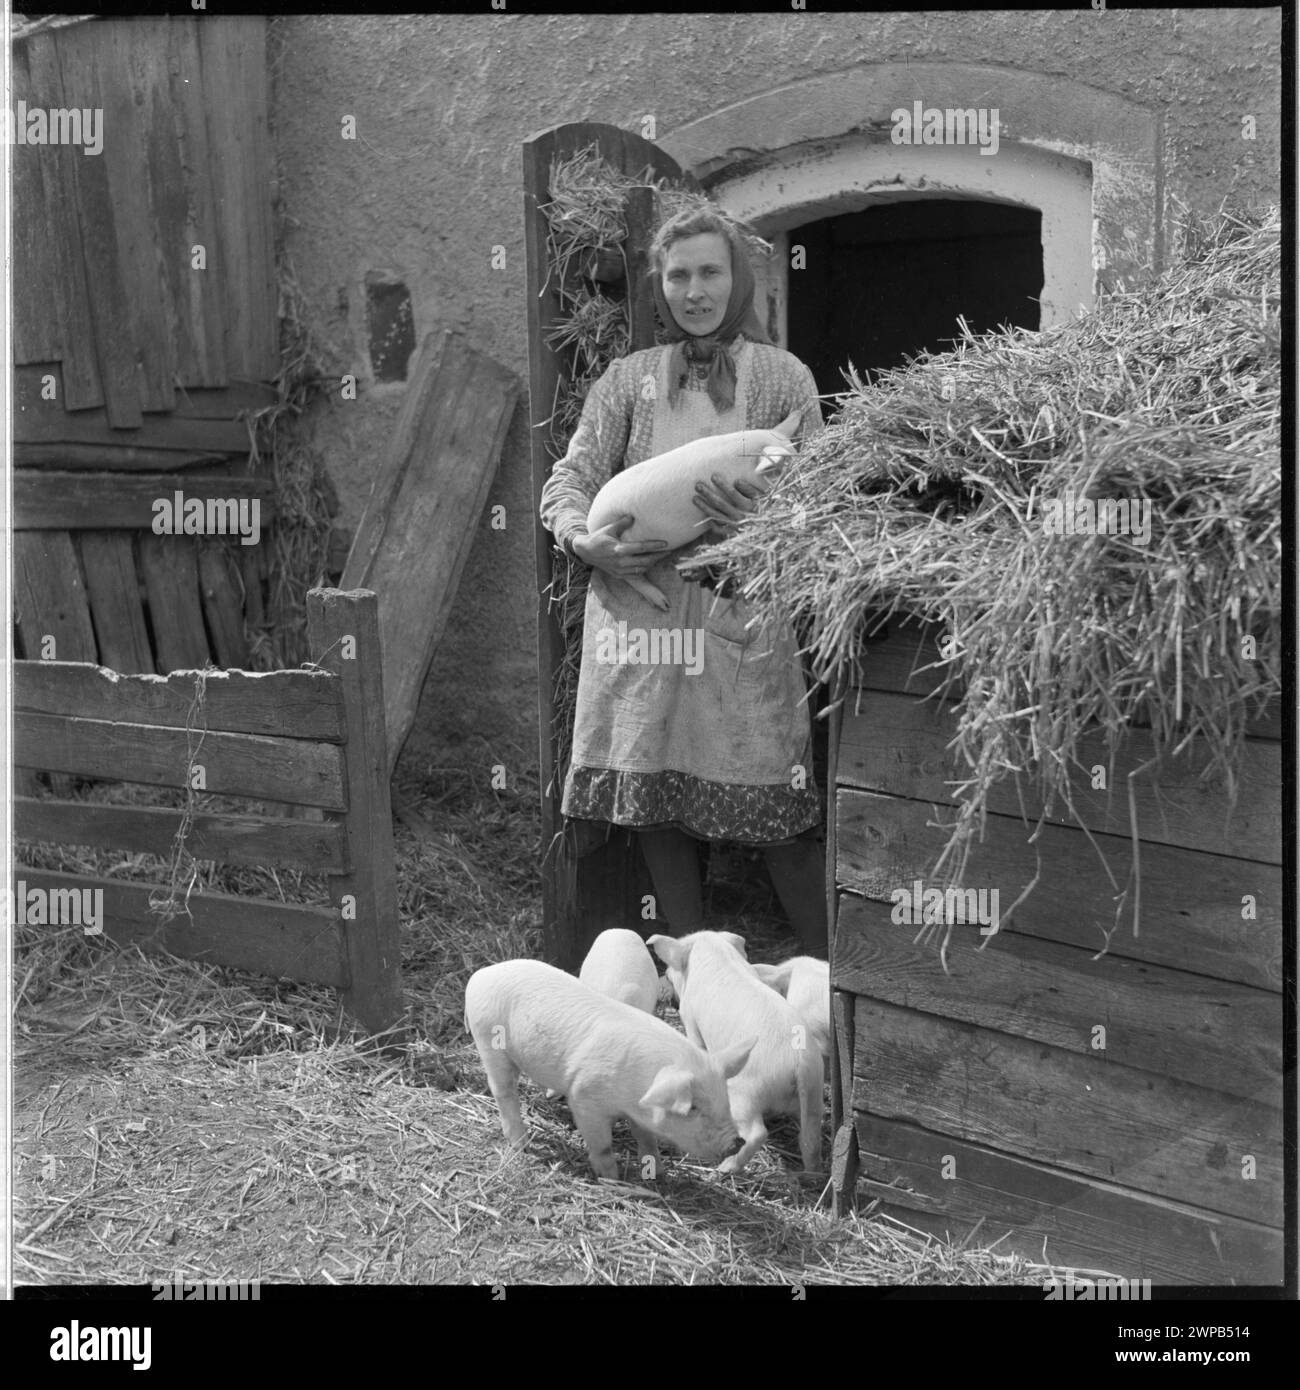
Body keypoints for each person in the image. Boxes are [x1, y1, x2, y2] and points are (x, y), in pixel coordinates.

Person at [539, 207, 827, 953]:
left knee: (775, 800)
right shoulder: (627, 381)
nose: (693, 291)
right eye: (677, 275)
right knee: (656, 797)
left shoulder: (783, 379)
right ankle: (696, 965)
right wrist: (584, 543)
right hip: (641, 616)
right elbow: (569, 480)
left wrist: (758, 524)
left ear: (738, 279)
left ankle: (833, 973)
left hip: (739, 618)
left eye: (709, 272)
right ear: (659, 286)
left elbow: (824, 501)